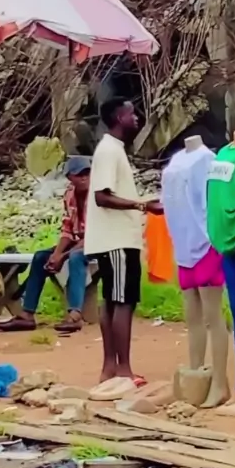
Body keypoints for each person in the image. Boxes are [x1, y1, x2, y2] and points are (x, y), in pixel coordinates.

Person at [84, 98, 161, 384]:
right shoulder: (108, 151)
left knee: (112, 301)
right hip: (116, 239)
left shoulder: (113, 149)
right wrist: (142, 206)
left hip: (113, 239)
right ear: (119, 117)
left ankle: (110, 368)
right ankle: (122, 369)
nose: (137, 117)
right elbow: (102, 197)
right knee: (122, 301)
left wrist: (143, 202)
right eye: (131, 113)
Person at [0, 156, 91, 334]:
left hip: (98, 242)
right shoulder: (69, 195)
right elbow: (67, 229)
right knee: (41, 257)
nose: (84, 177)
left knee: (75, 258)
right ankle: (27, 314)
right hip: (77, 240)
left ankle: (75, 315)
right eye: (79, 174)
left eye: (87, 173)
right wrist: (56, 254)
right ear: (70, 177)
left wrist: (63, 256)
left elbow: (94, 235)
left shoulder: (97, 195)